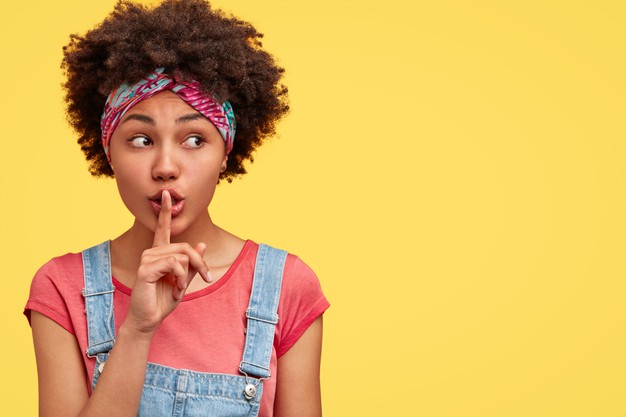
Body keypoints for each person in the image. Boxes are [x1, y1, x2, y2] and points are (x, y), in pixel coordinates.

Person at [23, 1, 329, 416]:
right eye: (141, 140)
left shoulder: (286, 288)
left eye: (194, 140)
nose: (166, 167)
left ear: (227, 152)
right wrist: (137, 330)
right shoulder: (61, 288)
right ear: (107, 151)